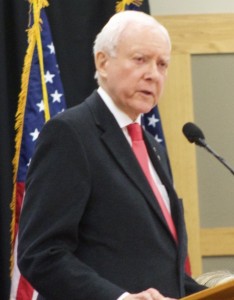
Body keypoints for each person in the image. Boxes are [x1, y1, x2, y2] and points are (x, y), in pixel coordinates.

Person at [18, 10, 206, 300]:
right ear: (103, 63)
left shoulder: (149, 145)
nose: (153, 74)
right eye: (140, 59)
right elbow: (41, 253)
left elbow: (159, 268)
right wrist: (119, 298)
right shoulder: (70, 134)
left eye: (162, 64)